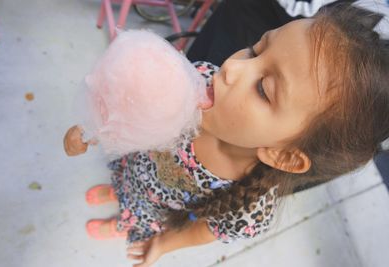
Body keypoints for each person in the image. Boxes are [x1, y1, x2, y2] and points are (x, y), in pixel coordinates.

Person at [64, 4, 389, 267]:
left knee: (134, 212)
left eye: (263, 88)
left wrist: (162, 244)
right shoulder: (202, 78)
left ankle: (120, 221)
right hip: (135, 162)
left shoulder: (250, 206)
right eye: (254, 50)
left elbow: (207, 230)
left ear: (284, 154)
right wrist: (92, 129)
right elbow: (133, 104)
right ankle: (116, 190)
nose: (231, 68)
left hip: (153, 209)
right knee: (125, 182)